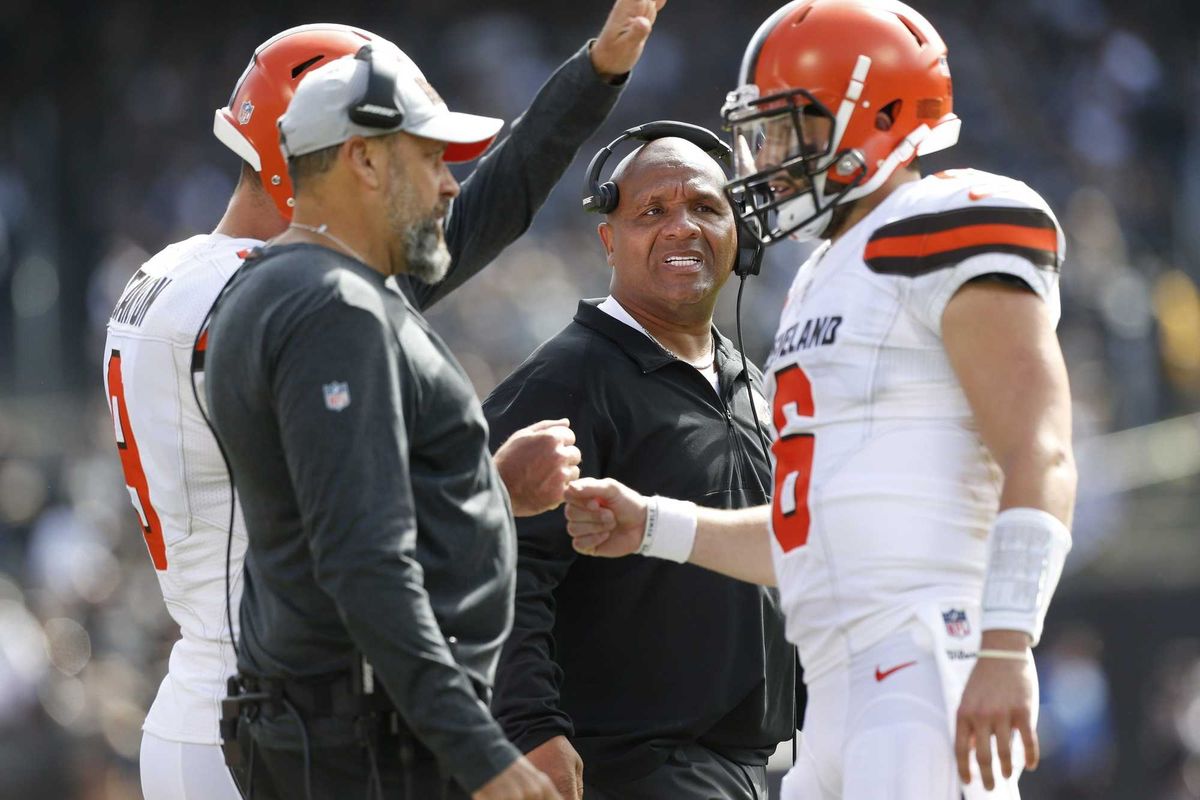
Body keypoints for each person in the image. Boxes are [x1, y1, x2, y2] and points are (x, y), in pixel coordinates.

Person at [102, 3, 661, 796]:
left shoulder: (168, 277)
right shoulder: (303, 298)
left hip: (213, 694)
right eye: (423, 155)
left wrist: (594, 74)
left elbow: (471, 219)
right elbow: (352, 542)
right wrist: (490, 493)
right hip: (291, 715)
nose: (446, 183)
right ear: (346, 155)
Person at [563, 2, 1076, 799]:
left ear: (874, 111)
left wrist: (1008, 642)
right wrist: (651, 525)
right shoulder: (820, 276)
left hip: (922, 653)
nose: (764, 157)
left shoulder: (946, 220)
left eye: (785, 129)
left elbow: (1038, 449)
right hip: (836, 686)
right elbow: (813, 531)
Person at [483, 131, 795, 800]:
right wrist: (528, 724)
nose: (682, 226)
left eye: (706, 208)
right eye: (652, 211)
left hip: (743, 763)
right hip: (623, 766)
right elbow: (500, 564)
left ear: (738, 230)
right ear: (608, 241)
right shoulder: (563, 382)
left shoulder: (757, 387)